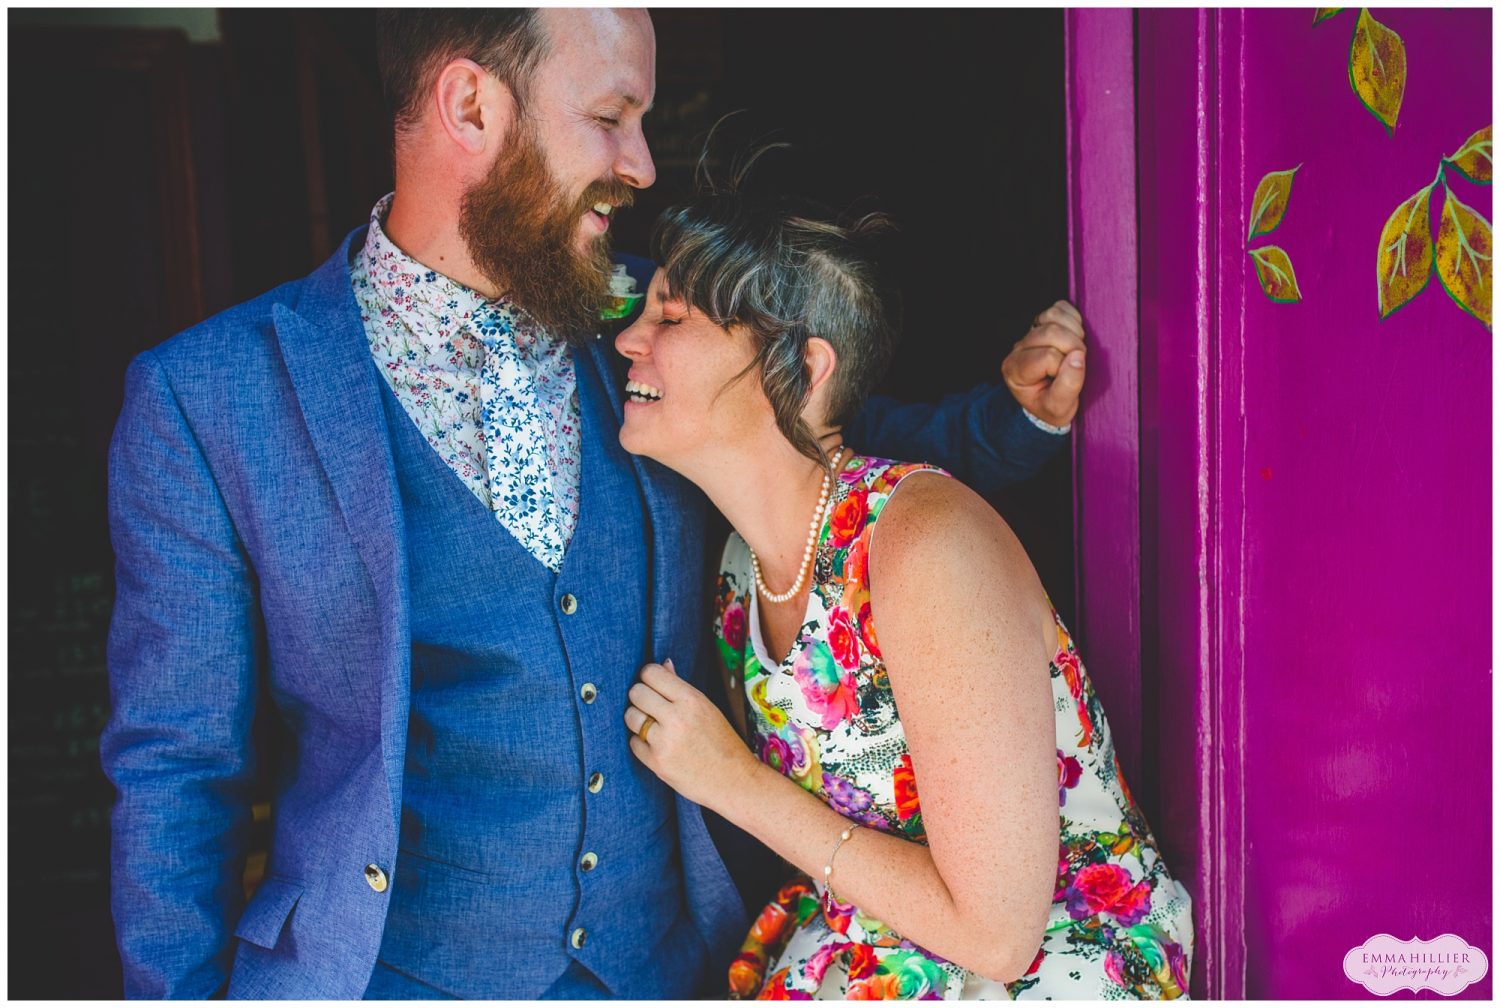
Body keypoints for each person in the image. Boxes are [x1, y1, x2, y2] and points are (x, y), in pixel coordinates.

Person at [100, 9, 1087, 1001]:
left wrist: (1006, 422)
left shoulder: (661, 320)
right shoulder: (209, 398)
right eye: (612, 116)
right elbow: (177, 778)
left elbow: (809, 444)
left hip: (671, 972)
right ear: (472, 104)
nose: (644, 165)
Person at [616, 184, 1192, 999]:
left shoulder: (925, 543)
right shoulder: (741, 574)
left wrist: (731, 780)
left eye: (671, 318)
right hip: (879, 953)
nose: (629, 339)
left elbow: (997, 934)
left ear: (800, 371)